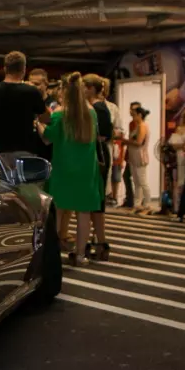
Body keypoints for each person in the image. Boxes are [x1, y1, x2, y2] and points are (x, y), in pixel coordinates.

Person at [37, 72, 102, 266]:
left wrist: (38, 124)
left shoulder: (59, 113)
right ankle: (80, 255)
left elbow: (47, 139)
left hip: (63, 168)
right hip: (87, 170)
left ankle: (53, 254)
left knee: (58, 210)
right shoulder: (91, 112)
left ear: (64, 91)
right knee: (83, 213)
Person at [0, 52, 47, 154]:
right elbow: (45, 118)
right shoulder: (32, 92)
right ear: (24, 69)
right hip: (26, 152)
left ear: (5, 69)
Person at [84, 74, 113, 260]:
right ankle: (96, 240)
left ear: (91, 88)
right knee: (93, 201)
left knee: (95, 200)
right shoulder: (97, 107)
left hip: (97, 155)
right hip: (96, 154)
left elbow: (104, 134)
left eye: (83, 87)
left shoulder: (98, 108)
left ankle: (100, 241)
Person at [124, 104, 151, 213]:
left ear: (140, 115)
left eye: (134, 115)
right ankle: (137, 204)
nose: (133, 117)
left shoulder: (142, 126)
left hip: (140, 156)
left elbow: (139, 142)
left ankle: (147, 204)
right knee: (136, 182)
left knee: (142, 181)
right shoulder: (138, 126)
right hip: (134, 156)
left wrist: (125, 141)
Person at [121, 102, 142, 208]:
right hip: (131, 153)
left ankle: (135, 200)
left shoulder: (140, 124)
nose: (132, 111)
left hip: (137, 154)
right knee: (128, 176)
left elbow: (137, 141)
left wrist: (125, 141)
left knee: (137, 178)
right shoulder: (131, 123)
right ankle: (131, 199)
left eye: (134, 109)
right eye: (131, 109)